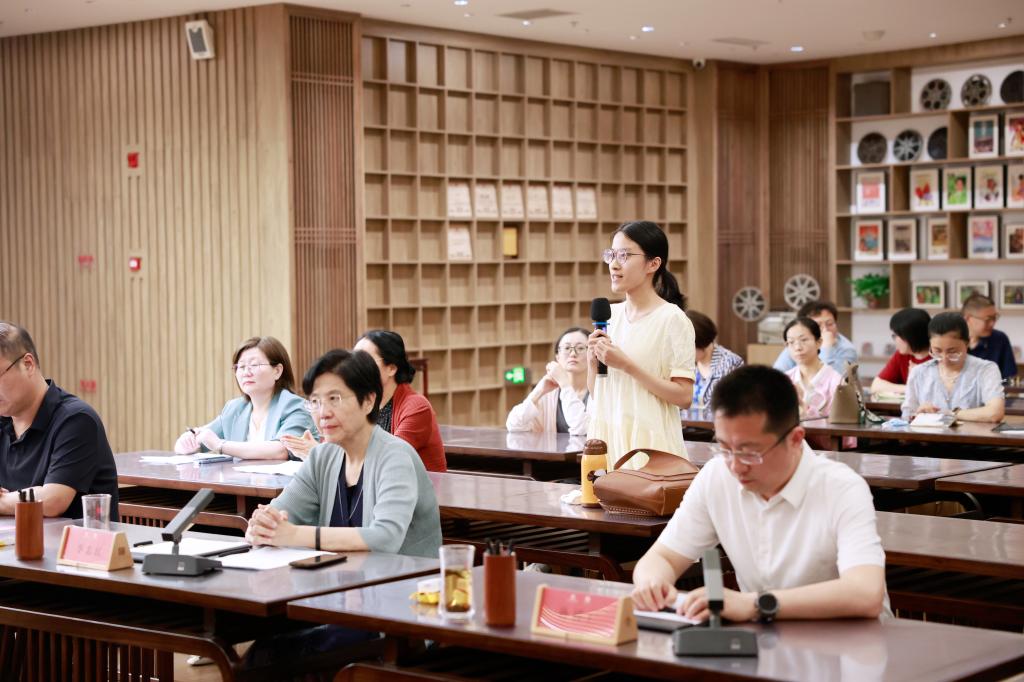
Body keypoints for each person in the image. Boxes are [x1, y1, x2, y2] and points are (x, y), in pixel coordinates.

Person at [631, 365, 888, 623]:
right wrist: (651, 584)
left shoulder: (841, 488)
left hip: (850, 638)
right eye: (724, 448)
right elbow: (663, 557)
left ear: (795, 439)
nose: (735, 466)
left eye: (749, 452)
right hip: (765, 636)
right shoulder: (717, 476)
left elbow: (865, 593)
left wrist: (755, 604)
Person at [246, 348, 442, 558]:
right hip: (341, 574)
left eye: (335, 399)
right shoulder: (321, 457)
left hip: (406, 576)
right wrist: (261, 526)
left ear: (368, 401)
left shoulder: (395, 456)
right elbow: (280, 513)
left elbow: (385, 538)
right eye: (315, 402)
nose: (323, 413)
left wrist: (294, 534)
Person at [586, 220, 696, 469]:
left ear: (653, 264)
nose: (614, 264)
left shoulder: (672, 319)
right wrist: (592, 363)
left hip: (651, 447)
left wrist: (627, 365)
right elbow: (599, 395)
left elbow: (684, 396)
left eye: (624, 255)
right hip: (609, 439)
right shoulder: (610, 316)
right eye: (612, 255)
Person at [0, 322, 118, 519]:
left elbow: (53, 500)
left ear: (27, 364)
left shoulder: (76, 419)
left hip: (71, 539)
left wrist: (3, 501)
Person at [173, 336, 315, 460]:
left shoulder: (295, 406)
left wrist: (220, 445)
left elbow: (281, 450)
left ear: (277, 371)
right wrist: (186, 443)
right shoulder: (234, 408)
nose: (246, 372)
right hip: (240, 482)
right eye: (241, 367)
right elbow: (202, 439)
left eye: (254, 365)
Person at [902, 313, 1004, 422]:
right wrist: (918, 414)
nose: (944, 359)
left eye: (952, 352)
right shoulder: (919, 372)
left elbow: (995, 413)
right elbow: (907, 416)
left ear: (967, 343)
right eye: (937, 351)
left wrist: (948, 414)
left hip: (972, 433)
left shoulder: (986, 370)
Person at [507, 327, 590, 434]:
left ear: (592, 354)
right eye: (566, 348)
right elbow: (513, 425)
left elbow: (582, 430)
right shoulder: (550, 393)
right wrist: (539, 391)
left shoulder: (598, 391)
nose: (573, 353)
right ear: (557, 357)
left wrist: (565, 384)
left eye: (580, 348)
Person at [772, 301, 857, 375]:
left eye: (830, 324)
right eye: (818, 325)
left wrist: (826, 347)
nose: (825, 329)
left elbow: (831, 381)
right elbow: (777, 375)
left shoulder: (847, 349)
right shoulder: (797, 344)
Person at [782, 318, 843, 420]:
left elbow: (841, 425)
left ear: (819, 342)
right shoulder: (785, 380)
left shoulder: (837, 382)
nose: (797, 347)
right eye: (791, 342)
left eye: (804, 340)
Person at [688, 311, 743, 410]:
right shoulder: (687, 365)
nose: (683, 353)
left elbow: (733, 407)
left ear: (701, 341)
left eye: (686, 347)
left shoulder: (730, 363)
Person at [870, 308, 931, 396]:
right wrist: (909, 388)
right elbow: (876, 386)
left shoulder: (938, 357)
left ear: (910, 336)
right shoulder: (901, 355)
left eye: (895, 336)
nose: (894, 340)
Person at [961, 294, 1018, 381]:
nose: (992, 323)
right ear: (968, 318)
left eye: (994, 318)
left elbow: (1009, 378)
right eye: (987, 319)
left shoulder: (1000, 339)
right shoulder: (950, 340)